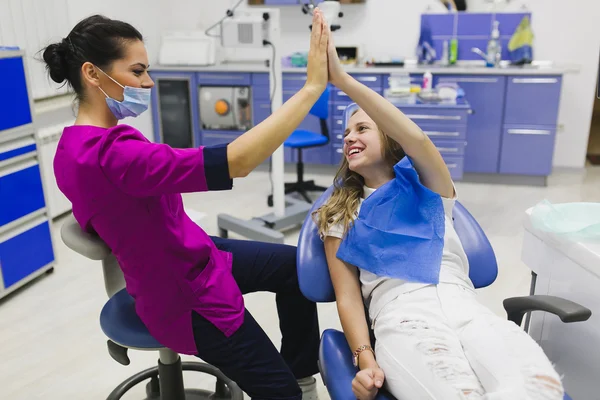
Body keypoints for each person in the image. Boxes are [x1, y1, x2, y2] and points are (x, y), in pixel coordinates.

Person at [43, 11, 330, 400]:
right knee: (281, 395)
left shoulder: (70, 148)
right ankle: (291, 390)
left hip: (190, 254)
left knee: (297, 270)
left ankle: (300, 373)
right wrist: (312, 88)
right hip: (184, 295)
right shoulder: (114, 155)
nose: (148, 82)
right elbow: (239, 161)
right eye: (138, 71)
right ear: (93, 74)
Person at [314, 30, 565, 400]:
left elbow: (418, 140)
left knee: (537, 387)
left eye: (363, 128)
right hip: (403, 317)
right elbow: (348, 296)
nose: (349, 137)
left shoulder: (428, 186)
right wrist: (366, 360)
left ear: (391, 138)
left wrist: (344, 81)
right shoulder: (339, 213)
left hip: (464, 306)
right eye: (346, 133)